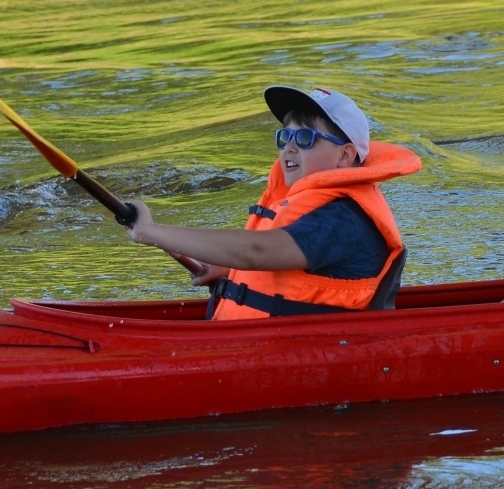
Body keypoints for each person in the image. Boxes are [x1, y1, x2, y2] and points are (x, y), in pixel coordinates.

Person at [123, 86, 422, 319]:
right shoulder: (311, 208)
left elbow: (255, 251)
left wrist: (151, 231)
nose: (290, 148)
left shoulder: (344, 220)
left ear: (344, 156)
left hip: (314, 348)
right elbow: (274, 264)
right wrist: (229, 272)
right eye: (285, 136)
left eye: (305, 138)